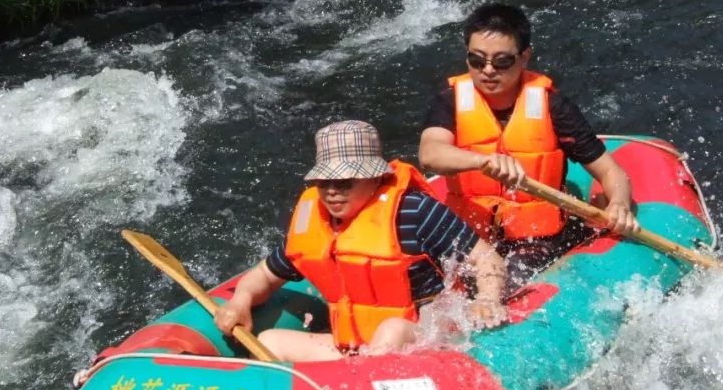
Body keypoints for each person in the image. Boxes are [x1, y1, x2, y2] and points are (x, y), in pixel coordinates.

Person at [213, 120, 507, 363]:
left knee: (391, 330)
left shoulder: (414, 211)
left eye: (344, 182)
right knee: (269, 342)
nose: (332, 192)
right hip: (355, 347)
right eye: (324, 182)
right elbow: (265, 275)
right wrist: (241, 301)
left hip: (425, 334)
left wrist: (487, 299)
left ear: (376, 177)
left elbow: (486, 258)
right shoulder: (315, 221)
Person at [418, 2, 639, 272]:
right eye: (477, 60)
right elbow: (430, 154)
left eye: (501, 61)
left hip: (535, 239)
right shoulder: (449, 101)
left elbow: (611, 172)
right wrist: (483, 160)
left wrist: (619, 205)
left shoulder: (553, 107)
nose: (487, 70)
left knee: (511, 274)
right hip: (472, 236)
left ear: (524, 58)